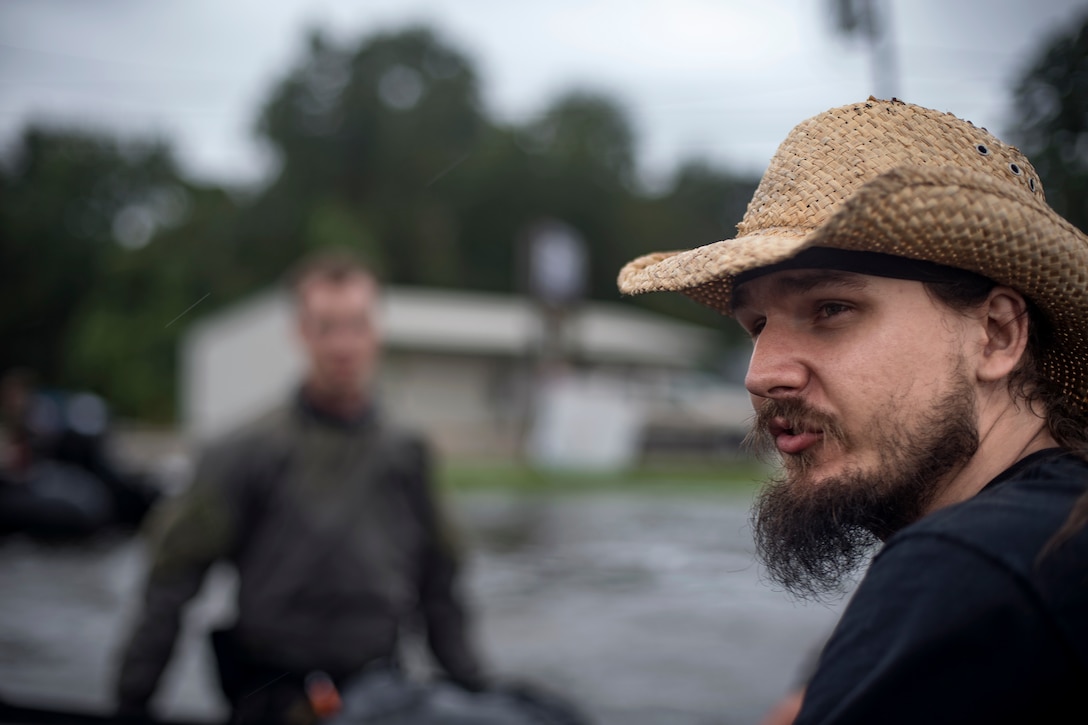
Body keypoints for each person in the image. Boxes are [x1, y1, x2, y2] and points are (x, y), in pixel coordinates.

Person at [617, 97, 1088, 723]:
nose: (761, 375)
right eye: (756, 325)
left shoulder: (972, 571)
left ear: (997, 335)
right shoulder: (1049, 537)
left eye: (831, 309)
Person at [114, 249, 488, 724]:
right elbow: (170, 585)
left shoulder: (407, 454)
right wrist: (132, 701)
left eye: (356, 324)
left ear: (377, 331)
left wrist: (474, 689)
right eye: (326, 326)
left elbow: (442, 591)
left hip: (381, 688)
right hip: (272, 691)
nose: (342, 345)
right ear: (299, 333)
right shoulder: (242, 452)